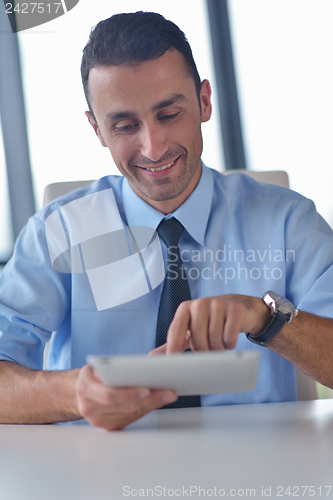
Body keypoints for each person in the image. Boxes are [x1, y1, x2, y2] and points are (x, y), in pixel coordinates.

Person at [0, 11, 333, 431]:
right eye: (124, 125)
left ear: (204, 102)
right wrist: (75, 395)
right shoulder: (60, 232)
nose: (153, 147)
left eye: (169, 114)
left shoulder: (288, 221)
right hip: (98, 482)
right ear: (97, 129)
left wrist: (266, 319)